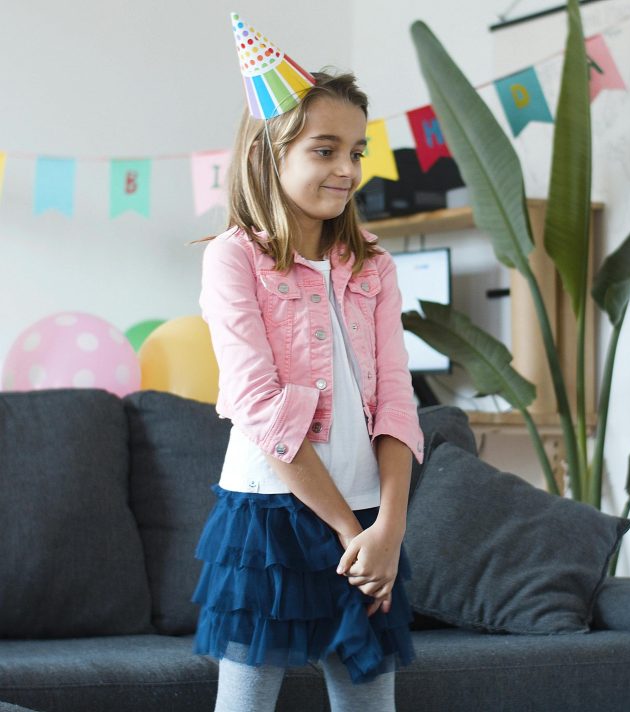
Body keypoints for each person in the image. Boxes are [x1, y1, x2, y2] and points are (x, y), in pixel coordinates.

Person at [191, 15, 423, 712]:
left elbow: (398, 405)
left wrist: (388, 528)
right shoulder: (232, 259)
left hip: (370, 515)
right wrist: (350, 534)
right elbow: (260, 406)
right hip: (270, 515)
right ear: (271, 152)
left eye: (356, 151)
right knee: (247, 702)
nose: (348, 170)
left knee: (368, 702)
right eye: (326, 150)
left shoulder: (373, 265)